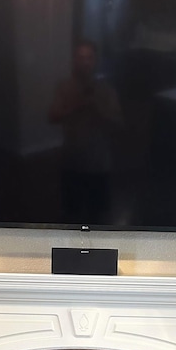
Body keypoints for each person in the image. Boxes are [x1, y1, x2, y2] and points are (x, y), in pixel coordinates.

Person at [49, 40, 122, 223]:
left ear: (95, 60)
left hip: (99, 163)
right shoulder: (64, 87)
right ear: (74, 60)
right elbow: (52, 117)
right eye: (81, 57)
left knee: (97, 217)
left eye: (89, 57)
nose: (85, 62)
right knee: (71, 213)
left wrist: (97, 108)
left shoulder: (107, 90)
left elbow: (118, 124)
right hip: (71, 161)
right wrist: (76, 105)